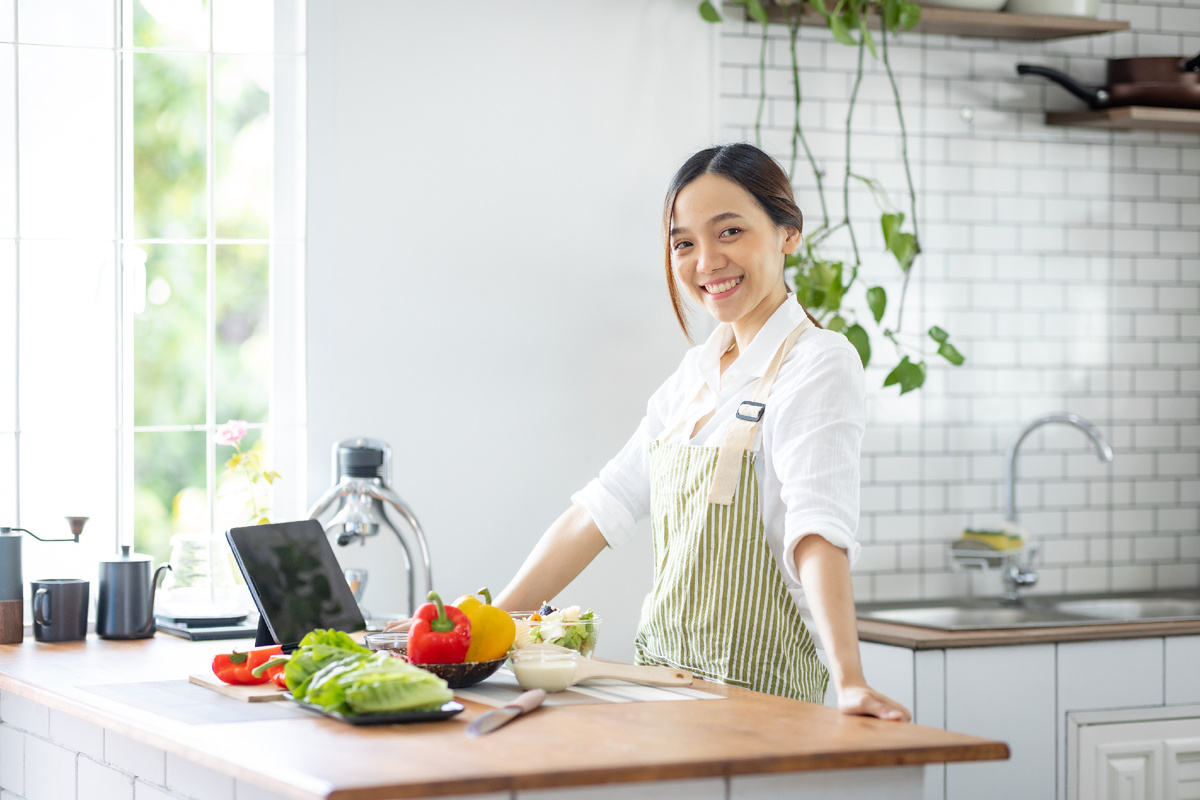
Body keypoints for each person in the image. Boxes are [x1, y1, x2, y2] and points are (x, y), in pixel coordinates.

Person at [414, 143, 909, 721]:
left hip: (762, 702)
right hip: (661, 688)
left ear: (787, 233)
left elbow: (816, 528)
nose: (706, 261)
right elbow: (599, 510)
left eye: (729, 232)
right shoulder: (694, 377)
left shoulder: (818, 362)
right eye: (684, 243)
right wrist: (481, 630)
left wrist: (850, 679)